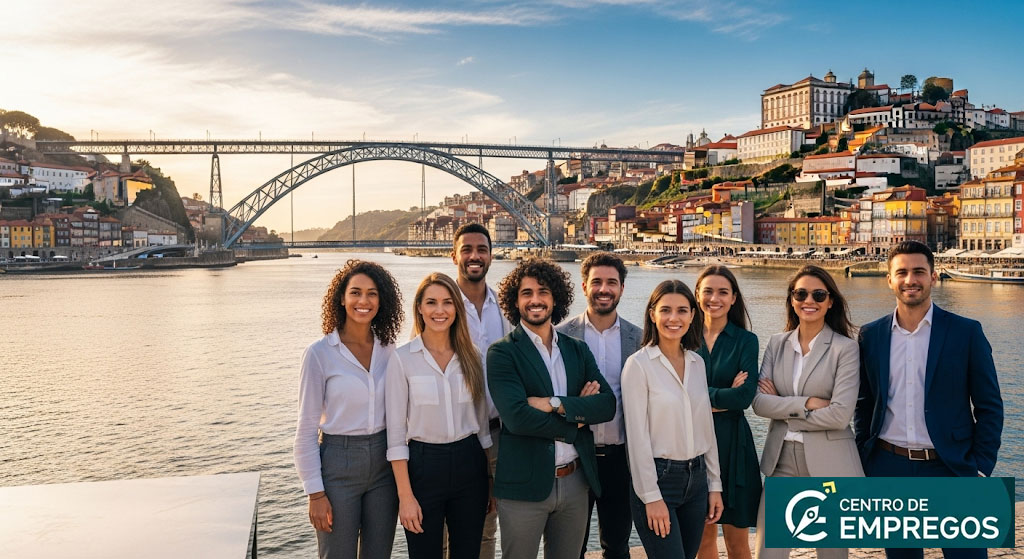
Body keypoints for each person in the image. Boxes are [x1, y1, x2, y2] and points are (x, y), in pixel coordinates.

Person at [854, 241, 1003, 559]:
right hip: (889, 468)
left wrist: (980, 469)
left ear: (933, 276)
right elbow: (864, 402)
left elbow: (990, 406)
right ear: (890, 279)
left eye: (919, 271)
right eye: (903, 272)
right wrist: (866, 459)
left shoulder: (966, 332)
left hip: (951, 467)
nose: (911, 280)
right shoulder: (870, 335)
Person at [487, 258, 617, 559]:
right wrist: (577, 420)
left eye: (543, 291)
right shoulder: (502, 353)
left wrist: (555, 404)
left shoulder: (576, 349)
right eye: (527, 293)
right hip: (524, 485)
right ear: (515, 300)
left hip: (575, 482)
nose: (535, 300)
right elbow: (517, 418)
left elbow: (606, 404)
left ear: (554, 297)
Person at [294, 259, 404, 559]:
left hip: (385, 466)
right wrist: (315, 493)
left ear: (382, 300)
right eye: (355, 292)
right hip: (337, 465)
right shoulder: (319, 354)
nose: (363, 301)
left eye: (372, 294)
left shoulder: (391, 350)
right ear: (341, 299)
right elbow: (305, 429)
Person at [752, 265, 863, 559]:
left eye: (818, 294)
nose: (808, 300)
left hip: (831, 467)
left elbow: (840, 416)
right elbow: (760, 403)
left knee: (832, 555)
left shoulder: (846, 349)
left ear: (830, 301)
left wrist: (784, 408)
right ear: (791, 299)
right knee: (769, 553)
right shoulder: (777, 343)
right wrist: (806, 403)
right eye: (800, 293)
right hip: (782, 462)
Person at [386, 272, 492, 559]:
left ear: (456, 307)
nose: (439, 310)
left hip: (470, 463)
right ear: (419, 307)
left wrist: (489, 481)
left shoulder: (473, 355)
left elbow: (482, 428)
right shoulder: (402, 358)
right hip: (422, 466)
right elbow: (395, 436)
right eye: (431, 302)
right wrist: (405, 497)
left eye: (447, 302)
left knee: (468, 553)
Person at [622, 280, 724, 559]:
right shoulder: (638, 365)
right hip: (659, 481)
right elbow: (637, 438)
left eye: (682, 310)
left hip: (697, 480)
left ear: (693, 315)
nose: (673, 318)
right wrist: (651, 496)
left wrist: (715, 485)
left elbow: (707, 429)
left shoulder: (697, 363)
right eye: (665, 310)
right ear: (652, 314)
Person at [556, 253, 642, 559]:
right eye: (597, 282)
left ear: (621, 289)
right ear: (583, 286)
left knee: (617, 546)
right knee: (571, 547)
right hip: (576, 457)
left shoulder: (640, 338)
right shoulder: (561, 336)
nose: (603, 289)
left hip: (620, 457)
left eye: (611, 283)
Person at [451, 223, 511, 559]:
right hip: (453, 436)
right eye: (467, 249)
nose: (475, 256)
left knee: (489, 527)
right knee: (448, 531)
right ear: (454, 255)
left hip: (496, 435)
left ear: (490, 255)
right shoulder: (442, 304)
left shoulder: (505, 305)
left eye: (482, 250)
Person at [693, 266, 760, 559]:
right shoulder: (683, 338)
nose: (714, 298)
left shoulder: (746, 340)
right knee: (703, 540)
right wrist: (724, 395)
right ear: (697, 296)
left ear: (734, 298)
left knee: (737, 543)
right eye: (708, 291)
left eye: (723, 292)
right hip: (692, 445)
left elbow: (744, 398)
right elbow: (674, 395)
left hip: (734, 447)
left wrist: (696, 397)